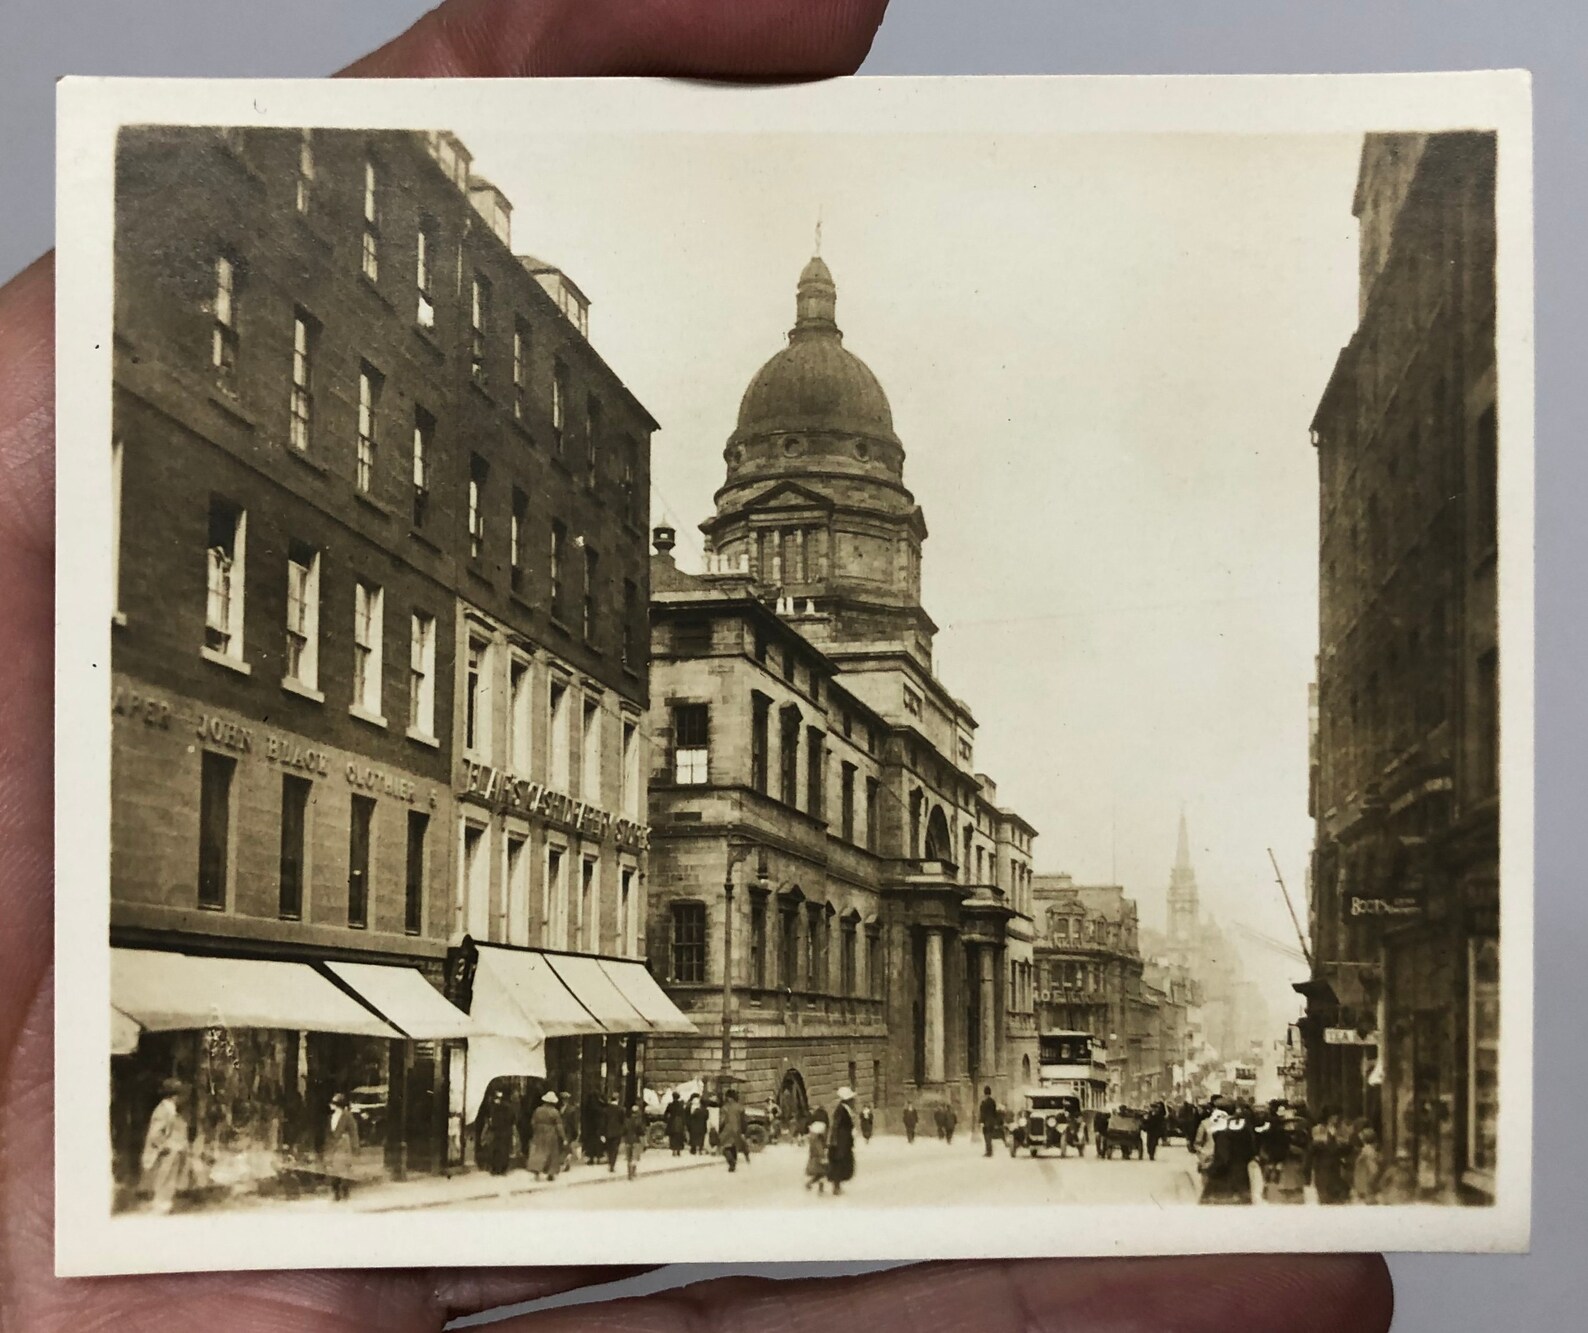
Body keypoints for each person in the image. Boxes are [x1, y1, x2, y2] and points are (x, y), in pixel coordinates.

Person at [0, 8, 1397, 1332]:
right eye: (774, 535)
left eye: (808, 534)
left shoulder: (897, 702)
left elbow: (925, 826)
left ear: (872, 545)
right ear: (772, 536)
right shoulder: (767, 654)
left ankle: (940, 1083)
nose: (788, 557)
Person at [139, 1076, 189, 1214]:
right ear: (174, 1096)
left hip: (173, 1152)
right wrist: (165, 1146)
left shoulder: (171, 1109)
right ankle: (160, 1206)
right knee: (164, 1178)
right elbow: (156, 1133)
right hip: (165, 1152)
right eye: (180, 1094)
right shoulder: (163, 1110)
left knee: (169, 1179)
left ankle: (165, 1204)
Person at [324, 1092, 361, 1202]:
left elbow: (353, 1132)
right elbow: (329, 1134)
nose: (331, 1105)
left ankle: (345, 1192)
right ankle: (336, 1194)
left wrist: (355, 1147)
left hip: (344, 1147)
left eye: (333, 1103)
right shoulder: (330, 1117)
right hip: (333, 1148)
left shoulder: (347, 1116)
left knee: (344, 1170)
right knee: (333, 1170)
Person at [475, 1086, 515, 1177]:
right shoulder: (509, 1107)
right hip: (506, 1131)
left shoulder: (495, 1108)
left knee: (496, 1150)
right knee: (505, 1151)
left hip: (496, 1131)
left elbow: (491, 1119)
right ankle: (503, 1169)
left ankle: (495, 1169)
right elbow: (512, 1119)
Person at [527, 1091, 565, 1181]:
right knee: (552, 1154)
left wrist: (536, 1130)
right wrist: (563, 1137)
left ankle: (536, 1172)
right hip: (551, 1134)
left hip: (539, 1133)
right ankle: (550, 1173)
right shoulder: (554, 1112)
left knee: (538, 1152)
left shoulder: (538, 1110)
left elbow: (533, 1122)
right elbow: (559, 1125)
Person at [827, 1086, 857, 1195]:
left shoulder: (845, 1109)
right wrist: (835, 1140)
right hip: (841, 1140)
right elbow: (836, 1125)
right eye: (852, 1099)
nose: (853, 1101)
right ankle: (836, 1187)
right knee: (839, 1162)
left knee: (842, 1162)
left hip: (844, 1139)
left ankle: (837, 1186)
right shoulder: (841, 1110)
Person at [718, 1088, 749, 1172]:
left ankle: (731, 1162)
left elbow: (722, 1121)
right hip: (737, 1130)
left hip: (727, 1130)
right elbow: (743, 1121)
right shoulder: (740, 1107)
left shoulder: (724, 1108)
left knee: (725, 1148)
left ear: (728, 1097)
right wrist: (743, 1131)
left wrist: (719, 1130)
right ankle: (734, 1162)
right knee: (733, 1147)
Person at [1351, 1127, 1382, 1204]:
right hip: (1365, 1183)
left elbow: (1373, 1169)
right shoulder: (1370, 1149)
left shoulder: (1367, 1150)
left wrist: (1370, 1183)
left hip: (1366, 1184)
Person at [804, 1112, 830, 1193]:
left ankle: (815, 1186)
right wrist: (823, 1155)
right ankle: (815, 1186)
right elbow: (820, 1146)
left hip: (814, 1156)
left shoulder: (812, 1135)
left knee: (820, 1173)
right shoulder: (818, 1137)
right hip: (819, 1156)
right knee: (822, 1173)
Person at [622, 1102, 646, 1180]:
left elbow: (623, 1131)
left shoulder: (626, 1121)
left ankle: (629, 1173)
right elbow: (642, 1132)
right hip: (636, 1141)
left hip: (627, 1141)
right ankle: (633, 1172)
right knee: (635, 1158)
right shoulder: (639, 1122)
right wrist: (644, 1144)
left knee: (629, 1158)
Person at [603, 1093, 626, 1173]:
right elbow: (623, 1121)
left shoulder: (606, 1109)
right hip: (617, 1132)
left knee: (609, 1148)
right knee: (615, 1149)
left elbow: (604, 1122)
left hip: (608, 1132)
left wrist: (602, 1132)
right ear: (617, 1099)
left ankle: (610, 1162)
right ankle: (612, 1165)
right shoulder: (621, 1109)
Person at [558, 1092, 580, 1172]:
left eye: (565, 1099)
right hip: (562, 1130)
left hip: (568, 1130)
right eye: (563, 1099)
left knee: (567, 1146)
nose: (564, 1101)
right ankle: (566, 1162)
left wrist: (575, 1131)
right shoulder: (559, 1108)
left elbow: (574, 1122)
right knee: (564, 1147)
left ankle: (567, 1163)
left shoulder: (572, 1109)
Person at [978, 1085, 999, 1157]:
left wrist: (981, 1121)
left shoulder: (984, 1102)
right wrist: (995, 1121)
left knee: (987, 1137)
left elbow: (982, 1113)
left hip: (986, 1122)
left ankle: (988, 1151)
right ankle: (990, 1151)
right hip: (992, 1122)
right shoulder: (993, 1102)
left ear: (985, 1093)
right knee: (989, 1137)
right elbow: (995, 1112)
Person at [665, 1092, 688, 1157]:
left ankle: (673, 1151)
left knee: (672, 1137)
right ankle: (678, 1151)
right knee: (679, 1137)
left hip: (672, 1122)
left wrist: (667, 1120)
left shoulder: (670, 1105)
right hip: (679, 1123)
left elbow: (666, 1114)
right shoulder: (681, 1106)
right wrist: (684, 1123)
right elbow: (684, 1115)